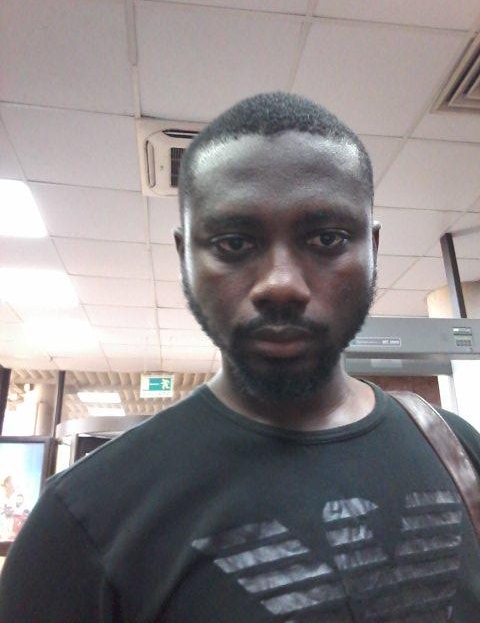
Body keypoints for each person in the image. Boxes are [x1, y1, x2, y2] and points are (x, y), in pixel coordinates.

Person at [1, 92, 480, 622]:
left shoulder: (458, 449)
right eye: (233, 243)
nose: (281, 284)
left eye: (327, 238)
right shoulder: (84, 520)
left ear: (373, 249)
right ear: (184, 257)